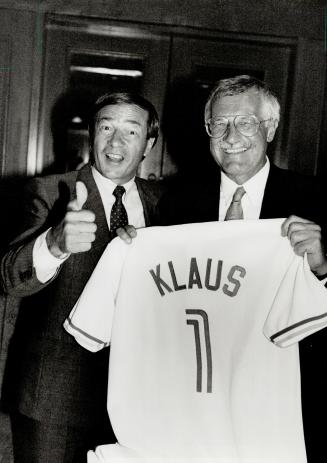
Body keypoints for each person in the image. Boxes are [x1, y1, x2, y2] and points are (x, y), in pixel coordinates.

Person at [154, 75, 327, 463]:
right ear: (207, 130)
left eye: (246, 122)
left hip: (287, 402)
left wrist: (322, 267)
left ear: (270, 127)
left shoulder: (316, 200)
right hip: (197, 401)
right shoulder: (175, 206)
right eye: (219, 124)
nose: (231, 136)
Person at [0, 92, 165, 463]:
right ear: (92, 135)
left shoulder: (167, 204)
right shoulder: (50, 191)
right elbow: (10, 275)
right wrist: (55, 245)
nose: (116, 142)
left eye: (131, 131)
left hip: (136, 404)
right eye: (106, 127)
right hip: (54, 403)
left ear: (149, 144)